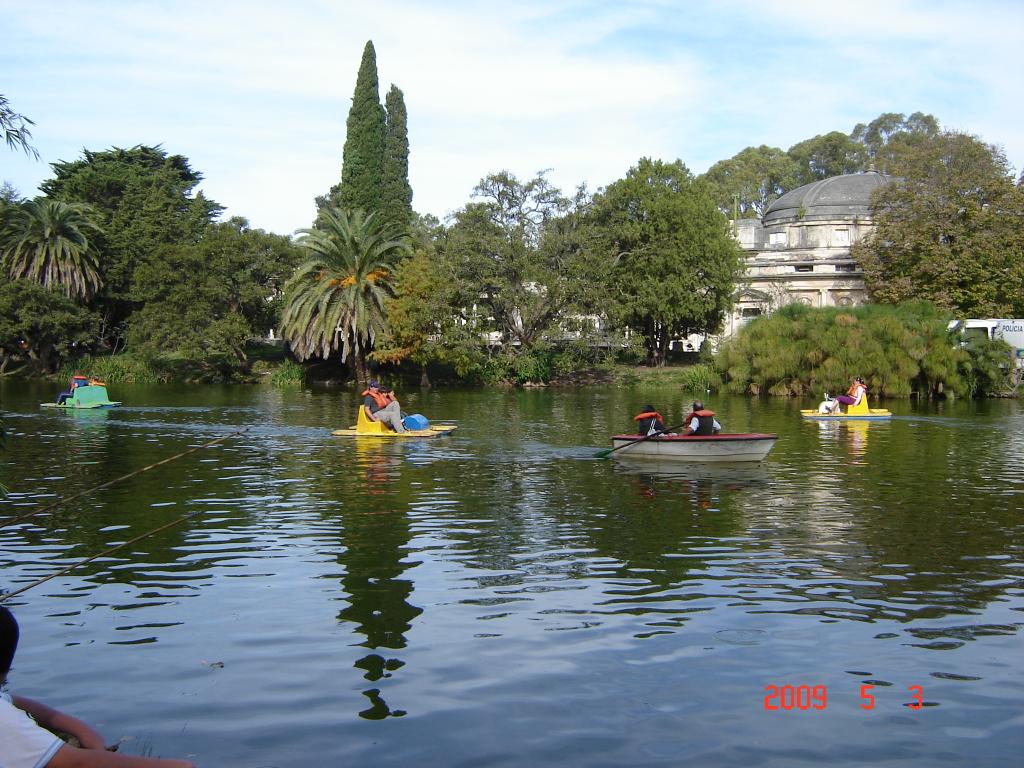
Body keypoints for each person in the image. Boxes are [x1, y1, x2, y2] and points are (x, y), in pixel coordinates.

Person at [1, 605, 196, 768]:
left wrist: (88, 735)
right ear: (7, 670)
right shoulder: (5, 719)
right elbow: (80, 763)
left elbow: (33, 708)